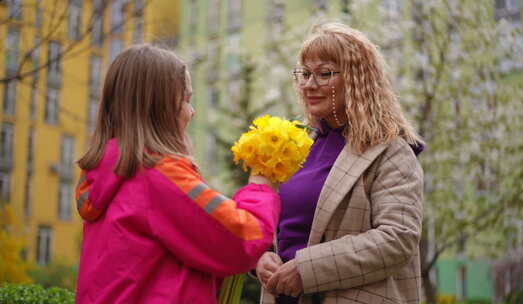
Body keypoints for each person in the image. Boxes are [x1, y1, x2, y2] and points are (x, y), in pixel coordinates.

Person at [74, 44, 280, 304]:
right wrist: (260, 186)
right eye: (186, 100)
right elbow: (241, 240)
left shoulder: (107, 172)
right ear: (161, 107)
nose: (191, 112)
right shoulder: (158, 174)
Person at [255, 22, 425, 304]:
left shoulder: (390, 151)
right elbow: (279, 229)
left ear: (357, 80)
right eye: (305, 74)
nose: (309, 85)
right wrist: (261, 258)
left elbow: (398, 238)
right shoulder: (299, 146)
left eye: (324, 74)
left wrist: (306, 269)